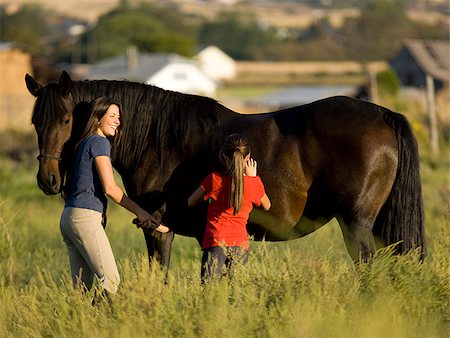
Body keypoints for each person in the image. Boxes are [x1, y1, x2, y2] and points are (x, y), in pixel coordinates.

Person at [60, 96, 169, 298]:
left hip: (68, 218)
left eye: (118, 117)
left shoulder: (82, 144)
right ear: (97, 118)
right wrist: (142, 212)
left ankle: (79, 324)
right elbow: (111, 188)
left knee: (81, 290)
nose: (117, 121)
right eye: (112, 115)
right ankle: (108, 325)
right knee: (111, 281)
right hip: (85, 218)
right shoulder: (100, 142)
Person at [188, 134, 271, 282]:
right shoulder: (253, 184)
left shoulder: (213, 179)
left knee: (208, 291)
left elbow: (191, 202)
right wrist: (252, 178)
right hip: (240, 243)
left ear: (224, 157)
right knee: (237, 294)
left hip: (216, 241)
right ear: (248, 159)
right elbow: (267, 205)